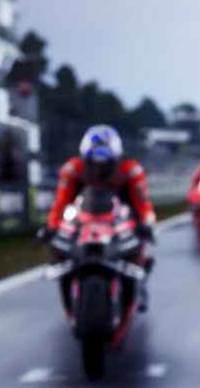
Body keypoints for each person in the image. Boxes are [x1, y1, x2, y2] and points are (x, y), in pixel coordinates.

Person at [41, 125, 156, 307]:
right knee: (58, 249)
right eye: (95, 163)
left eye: (105, 164)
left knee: (144, 251)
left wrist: (147, 225)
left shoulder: (132, 170)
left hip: (120, 220)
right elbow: (60, 203)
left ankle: (139, 289)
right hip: (83, 220)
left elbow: (144, 205)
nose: (100, 169)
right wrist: (52, 227)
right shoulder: (72, 169)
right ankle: (69, 285)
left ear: (116, 159)